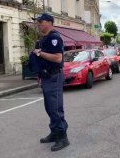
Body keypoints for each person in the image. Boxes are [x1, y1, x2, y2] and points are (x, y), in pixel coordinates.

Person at [32, 13, 70, 152]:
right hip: (47, 76)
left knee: (55, 108)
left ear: (49, 22)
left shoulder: (55, 38)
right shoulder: (45, 38)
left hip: (54, 77)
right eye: (38, 22)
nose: (38, 24)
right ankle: (55, 133)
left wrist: (40, 53)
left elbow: (57, 58)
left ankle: (62, 137)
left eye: (41, 21)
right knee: (49, 107)